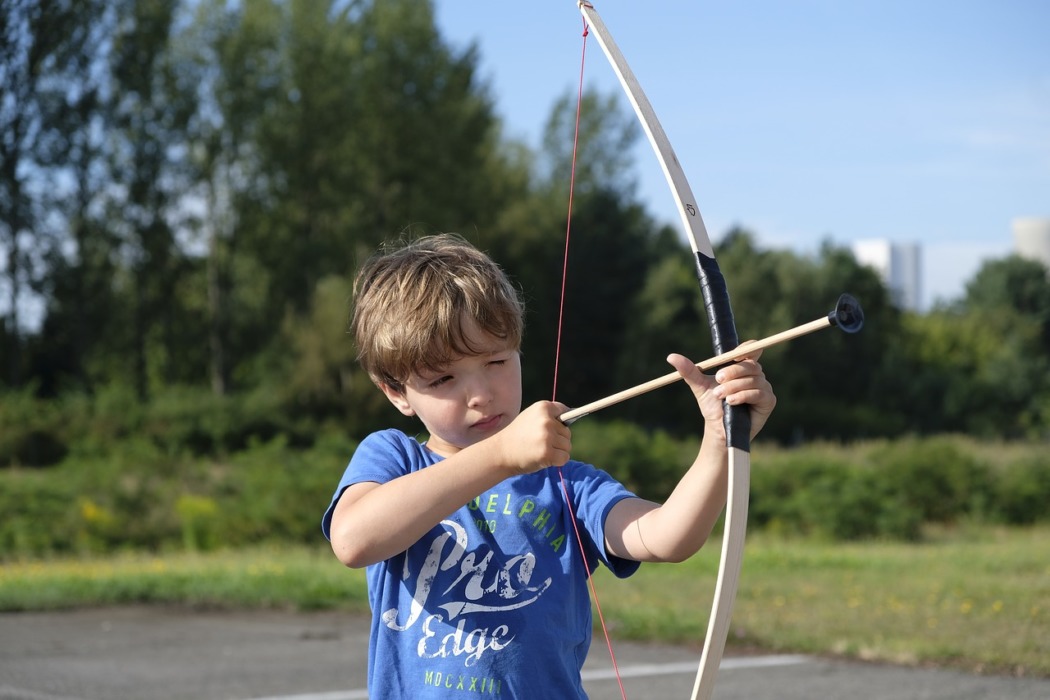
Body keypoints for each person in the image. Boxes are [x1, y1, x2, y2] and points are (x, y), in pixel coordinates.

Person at [322, 233, 776, 698]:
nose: (481, 394)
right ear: (396, 392)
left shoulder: (568, 485)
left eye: (496, 361)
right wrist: (500, 456)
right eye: (443, 379)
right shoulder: (395, 458)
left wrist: (721, 440)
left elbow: (667, 536)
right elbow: (354, 540)